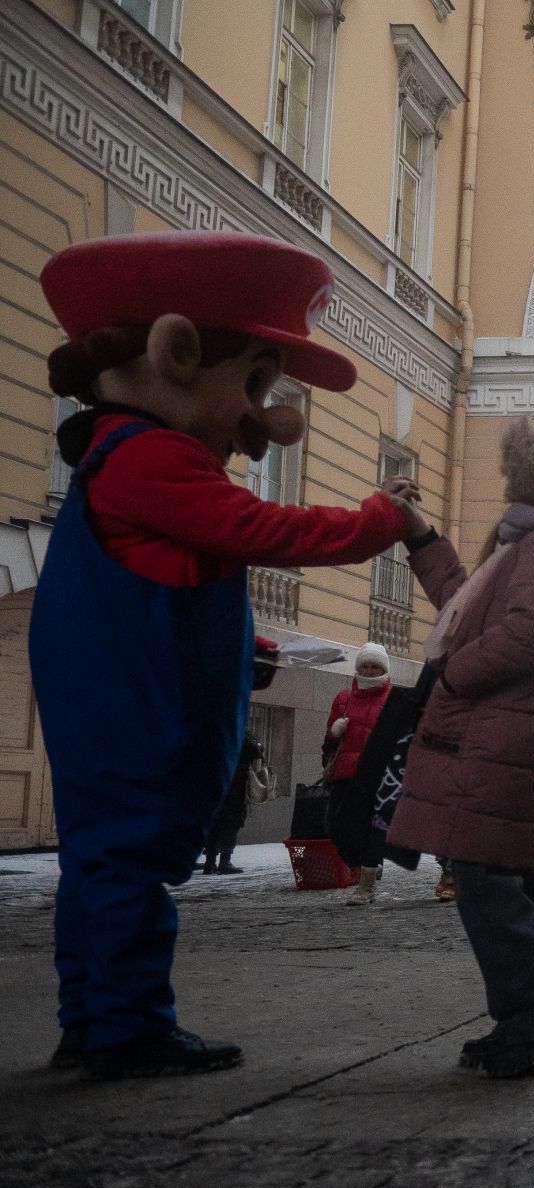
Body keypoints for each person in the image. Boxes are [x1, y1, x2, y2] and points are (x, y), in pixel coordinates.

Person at [30, 232, 413, 1079]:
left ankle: (87, 1021)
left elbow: (168, 580)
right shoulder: (154, 455)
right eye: (251, 384)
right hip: (137, 712)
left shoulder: (116, 461)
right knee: (127, 865)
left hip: (116, 696)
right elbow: (256, 530)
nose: (263, 418)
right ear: (177, 353)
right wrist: (377, 523)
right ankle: (128, 1027)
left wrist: (249, 646)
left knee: (99, 866)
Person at [384, 417, 534, 1078]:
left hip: (500, 734)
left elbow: (532, 630)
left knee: (487, 879)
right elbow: (466, 605)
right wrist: (420, 536)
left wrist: (457, 672)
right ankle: (533, 1012)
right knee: (505, 874)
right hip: (514, 734)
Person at [329, 639, 395, 901]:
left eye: (374, 667)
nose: (369, 671)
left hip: (377, 776)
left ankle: (365, 884)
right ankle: (364, 864)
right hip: (345, 773)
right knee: (336, 827)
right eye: (364, 666)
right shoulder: (344, 698)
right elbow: (329, 739)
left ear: (384, 669)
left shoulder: (394, 699)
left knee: (371, 830)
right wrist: (336, 730)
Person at [202, 732, 265, 876]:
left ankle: (209, 863)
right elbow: (256, 750)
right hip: (234, 788)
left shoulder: (214, 732)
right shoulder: (239, 732)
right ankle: (225, 862)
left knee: (214, 824)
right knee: (231, 823)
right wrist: (257, 743)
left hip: (214, 786)